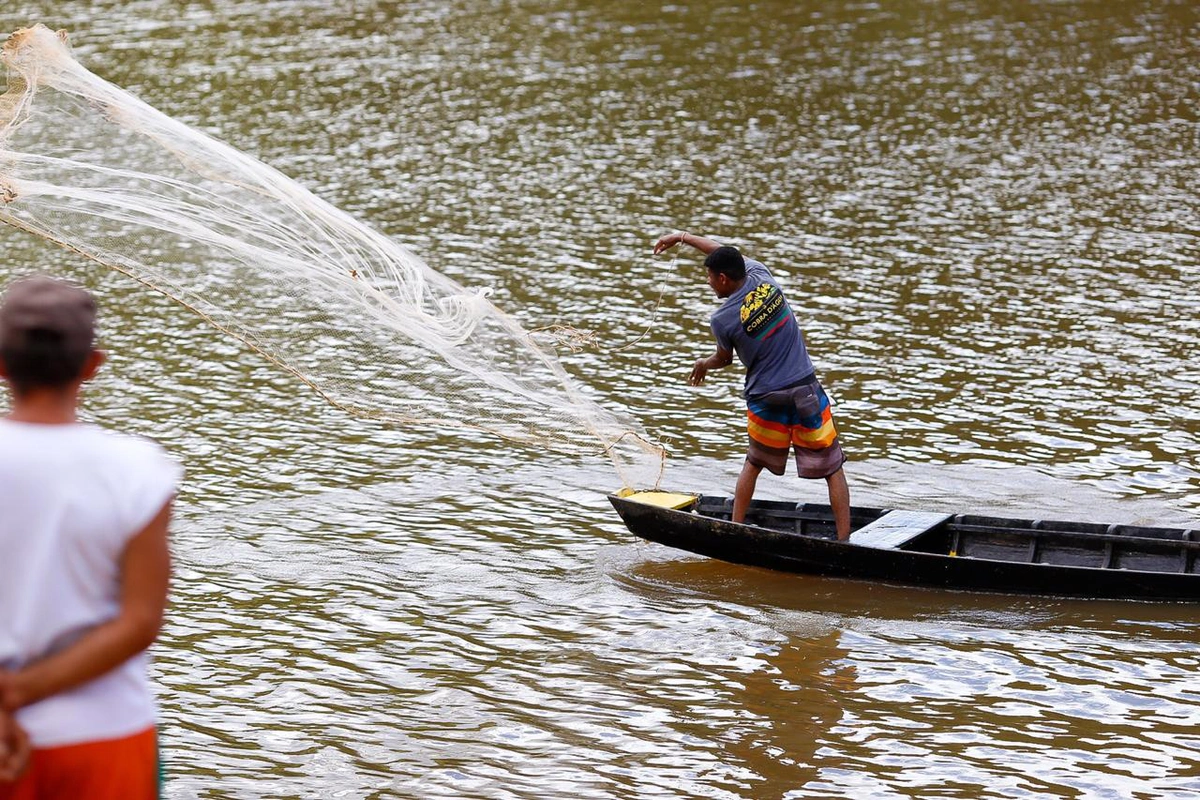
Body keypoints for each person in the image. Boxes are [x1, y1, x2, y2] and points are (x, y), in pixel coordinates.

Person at [0, 276, 180, 799]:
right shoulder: (139, 469)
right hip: (104, 734)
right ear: (91, 366)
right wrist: (22, 691)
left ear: (2, 364)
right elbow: (141, 620)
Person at [654, 232, 851, 540]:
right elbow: (724, 252)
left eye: (708, 277)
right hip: (805, 390)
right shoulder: (760, 273)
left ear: (722, 279)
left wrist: (702, 364)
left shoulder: (722, 319)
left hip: (767, 397)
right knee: (833, 466)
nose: (707, 283)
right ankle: (844, 540)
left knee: (753, 462)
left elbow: (724, 359)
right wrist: (683, 237)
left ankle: (735, 528)